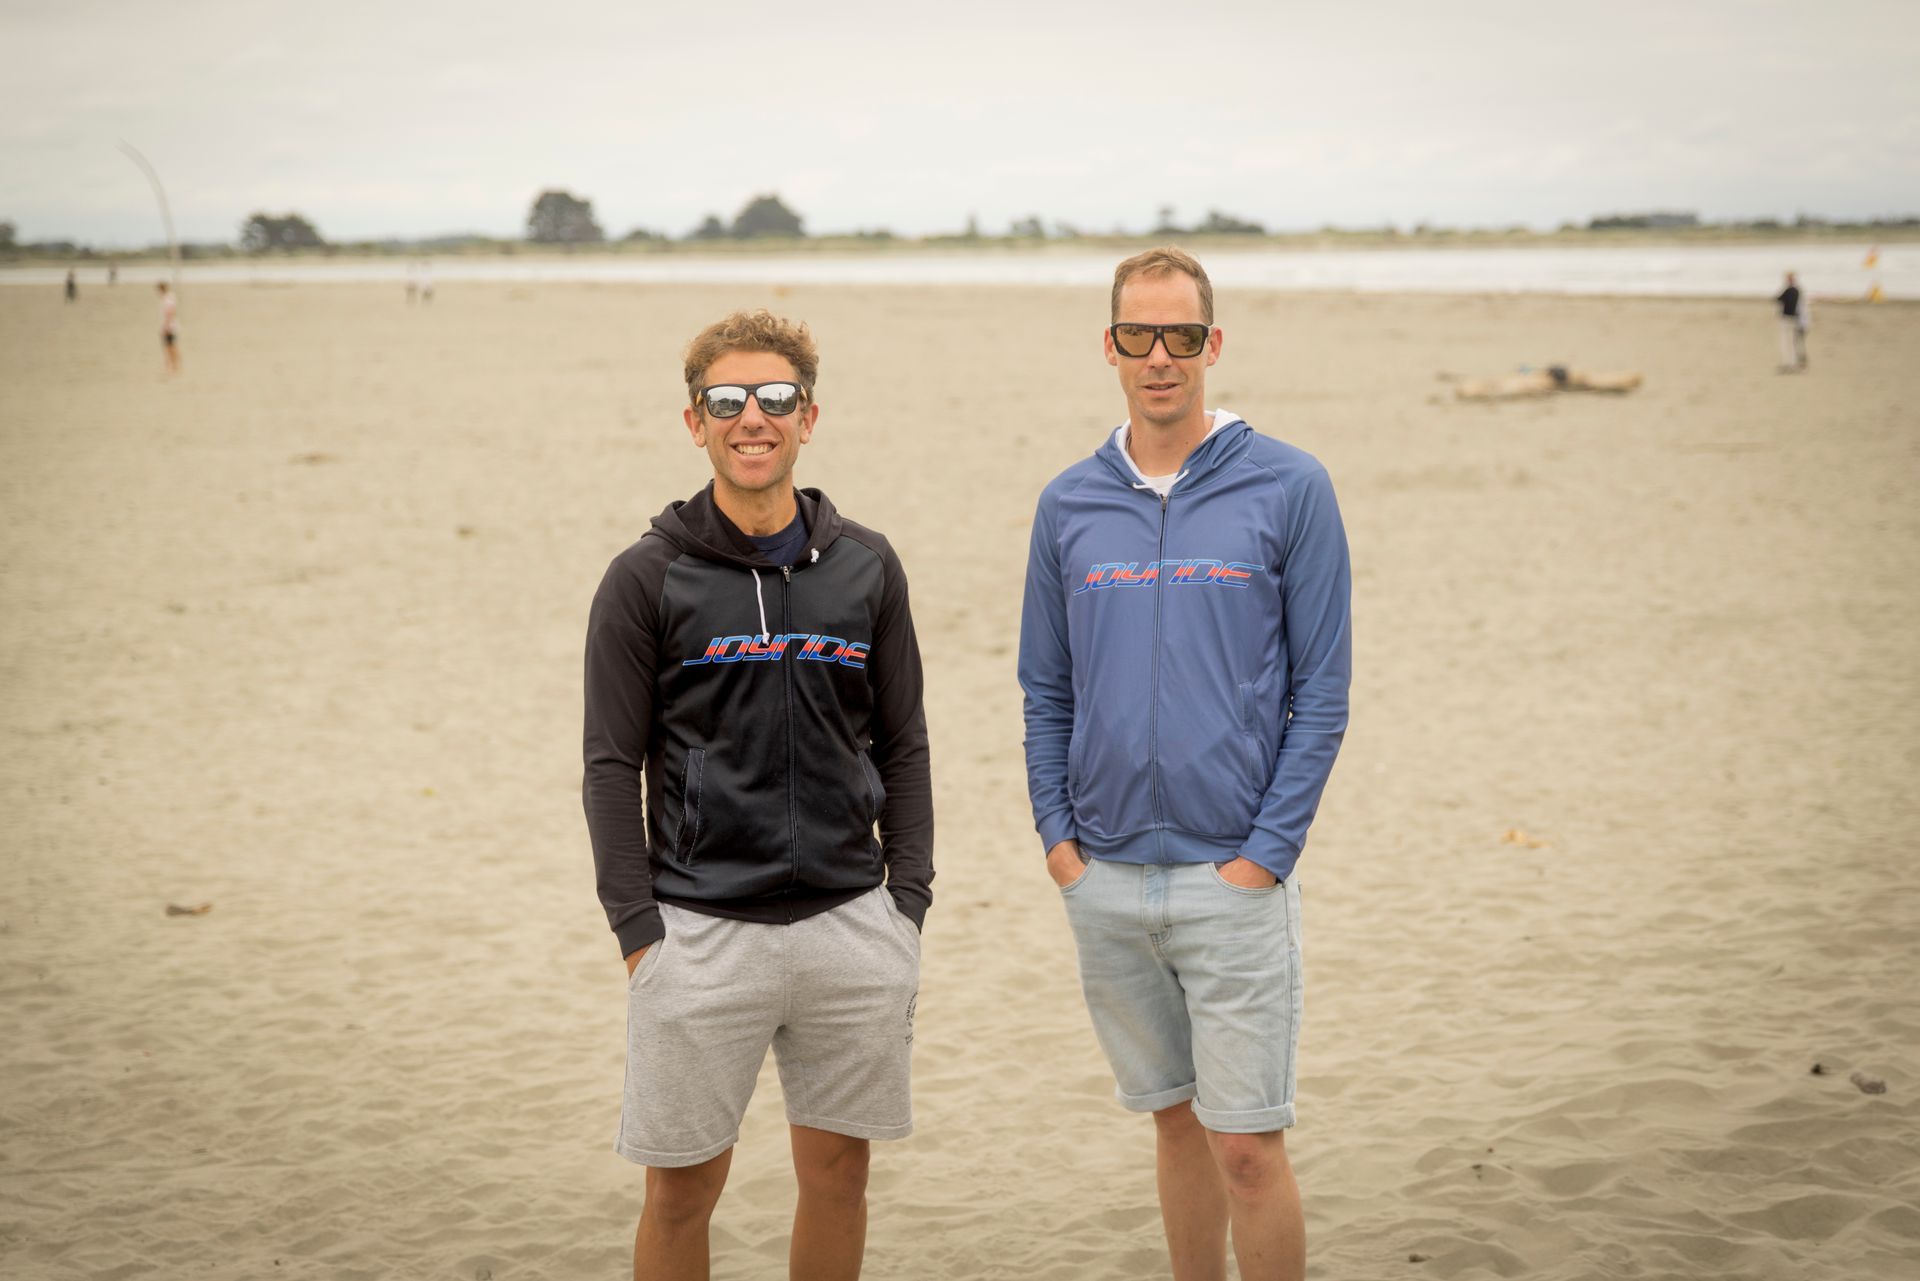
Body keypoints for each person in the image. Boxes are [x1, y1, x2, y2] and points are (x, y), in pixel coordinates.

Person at [1019, 246, 1351, 1281]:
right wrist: (1060, 844)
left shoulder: (1290, 486)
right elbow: (1046, 690)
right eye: (1138, 334)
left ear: (1214, 344)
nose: (1159, 355)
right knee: (1173, 1125)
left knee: (1246, 1149)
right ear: (1110, 347)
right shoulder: (1068, 502)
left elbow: (1322, 691)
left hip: (1233, 879)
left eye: (1182, 335)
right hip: (1107, 880)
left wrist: (1266, 854)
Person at [583, 309, 932, 1281]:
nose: (752, 417)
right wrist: (639, 933)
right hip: (698, 932)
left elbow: (905, 743)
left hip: (850, 923)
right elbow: (610, 764)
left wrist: (906, 904)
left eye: (775, 398)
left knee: (839, 1178)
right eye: (727, 399)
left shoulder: (867, 566)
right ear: (694, 421)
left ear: (807, 418)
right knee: (680, 1193)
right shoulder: (645, 578)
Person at [1777, 271, 1810, 371]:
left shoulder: (1792, 290)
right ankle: (1793, 362)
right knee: (1793, 342)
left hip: (1791, 319)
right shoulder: (1795, 290)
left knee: (1791, 342)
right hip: (1794, 319)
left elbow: (1779, 299)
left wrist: (1804, 321)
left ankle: (1792, 362)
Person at [156, 281, 180, 374]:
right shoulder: (170, 298)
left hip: (169, 327)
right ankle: (174, 366)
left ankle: (172, 366)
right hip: (171, 326)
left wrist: (166, 326)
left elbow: (169, 313)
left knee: (170, 348)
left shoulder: (167, 300)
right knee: (171, 347)